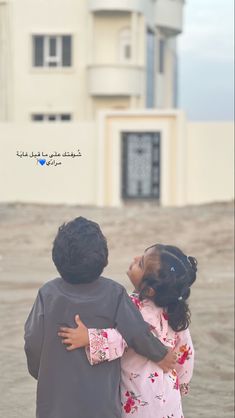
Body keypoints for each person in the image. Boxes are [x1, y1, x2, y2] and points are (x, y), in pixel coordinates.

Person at [24, 217, 177, 418]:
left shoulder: (47, 294)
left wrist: (42, 373)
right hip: (101, 406)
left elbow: (32, 341)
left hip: (55, 406)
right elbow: (137, 334)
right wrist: (160, 354)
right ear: (103, 258)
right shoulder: (114, 294)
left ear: (56, 257)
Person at [58, 243, 197, 418]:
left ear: (149, 290)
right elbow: (186, 353)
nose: (135, 259)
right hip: (170, 400)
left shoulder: (134, 308)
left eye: (141, 264)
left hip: (142, 400)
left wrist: (89, 338)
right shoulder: (175, 313)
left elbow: (122, 339)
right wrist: (183, 383)